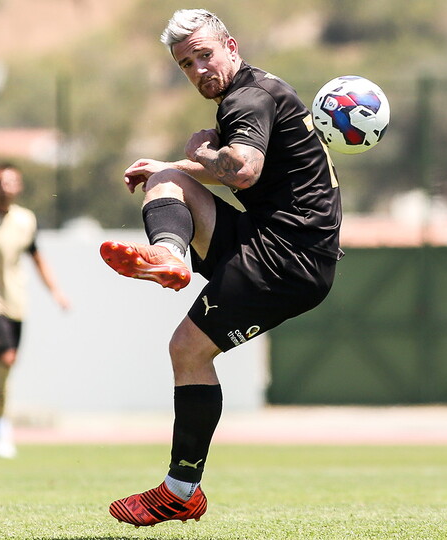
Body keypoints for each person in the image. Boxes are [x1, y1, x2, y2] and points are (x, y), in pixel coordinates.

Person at [99, 9, 342, 527]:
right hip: (278, 244)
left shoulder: (247, 99)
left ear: (230, 46)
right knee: (166, 177)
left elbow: (245, 169)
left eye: (204, 54)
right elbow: (239, 170)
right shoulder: (259, 91)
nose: (198, 69)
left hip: (286, 259)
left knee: (188, 349)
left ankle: (180, 491)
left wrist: (197, 156)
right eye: (186, 64)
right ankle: (168, 254)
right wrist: (179, 164)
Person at [0, 162, 70, 458]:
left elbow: (37, 259)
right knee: (5, 358)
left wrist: (56, 292)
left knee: (6, 364)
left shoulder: (26, 220)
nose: (5, 187)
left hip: (17, 303)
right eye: (0, 182)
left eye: (11, 182)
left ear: (18, 187)